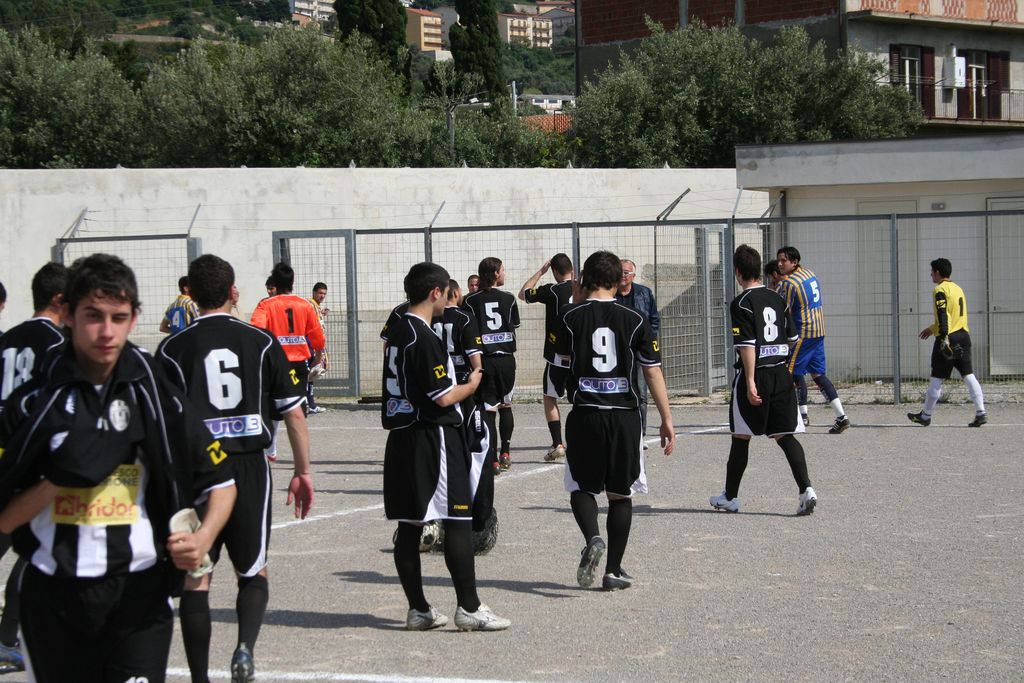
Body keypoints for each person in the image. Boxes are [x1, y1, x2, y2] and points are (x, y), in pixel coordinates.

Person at [0, 253, 236, 683]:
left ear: (134, 319)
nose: (106, 331)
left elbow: (222, 482)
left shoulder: (158, 397)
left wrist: (202, 539)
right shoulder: (35, 404)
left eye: (118, 317)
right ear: (68, 315)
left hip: (138, 595)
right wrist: (62, 477)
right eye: (93, 316)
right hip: (53, 597)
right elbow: (5, 518)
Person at [157, 254, 314, 683]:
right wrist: (302, 471)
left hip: (197, 470)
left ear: (190, 294)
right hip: (248, 466)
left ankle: (199, 676)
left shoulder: (172, 348)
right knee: (253, 570)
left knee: (197, 575)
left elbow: (162, 424)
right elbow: (293, 413)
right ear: (233, 292)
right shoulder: (260, 342)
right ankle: (244, 650)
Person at [382, 262, 510, 631]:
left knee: (410, 524)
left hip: (402, 435)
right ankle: (469, 607)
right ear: (435, 292)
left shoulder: (397, 329)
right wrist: (473, 384)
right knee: (457, 518)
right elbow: (442, 396)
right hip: (433, 436)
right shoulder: (422, 335)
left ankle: (418, 609)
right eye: (446, 293)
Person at [556, 251, 675, 592]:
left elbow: (561, 368)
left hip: (586, 414)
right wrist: (666, 418)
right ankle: (613, 571)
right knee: (620, 495)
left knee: (581, 487)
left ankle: (593, 537)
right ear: (616, 280)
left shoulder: (569, 317)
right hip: (624, 417)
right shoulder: (635, 318)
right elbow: (652, 371)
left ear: (585, 279)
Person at [710, 245, 817, 516]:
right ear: (758, 269)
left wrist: (750, 382)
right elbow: (792, 338)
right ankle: (806, 490)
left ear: (737, 271)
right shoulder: (777, 297)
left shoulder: (741, 303)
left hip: (756, 374)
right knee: (785, 435)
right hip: (781, 373)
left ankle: (730, 497)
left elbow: (747, 346)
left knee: (741, 435)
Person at [0, 262, 67, 673]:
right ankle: (7, 639)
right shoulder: (57, 344)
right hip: (27, 457)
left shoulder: (7, 338)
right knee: (36, 547)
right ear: (60, 299)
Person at [250, 263, 325, 462]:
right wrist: (318, 356)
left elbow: (256, 330)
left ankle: (271, 448)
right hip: (298, 362)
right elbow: (316, 334)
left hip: (275, 362)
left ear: (275, 282)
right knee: (298, 407)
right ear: (293, 281)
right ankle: (301, 457)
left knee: (273, 406)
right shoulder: (304, 305)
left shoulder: (266, 304)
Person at [776, 246, 850, 434]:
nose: (780, 264)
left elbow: (783, 311)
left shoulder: (789, 284)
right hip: (818, 331)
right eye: (779, 260)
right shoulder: (810, 273)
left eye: (784, 260)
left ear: (794, 262)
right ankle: (841, 416)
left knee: (788, 374)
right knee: (818, 375)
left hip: (803, 333)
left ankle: (793, 418)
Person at [908, 258, 987, 428]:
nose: (930, 274)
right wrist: (932, 328)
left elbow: (943, 314)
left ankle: (925, 416)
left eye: (932, 271)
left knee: (936, 377)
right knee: (968, 374)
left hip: (949, 337)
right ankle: (981, 412)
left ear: (937, 272)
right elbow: (953, 315)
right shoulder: (958, 289)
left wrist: (943, 337)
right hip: (964, 336)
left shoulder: (940, 289)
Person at [463, 258, 520, 473]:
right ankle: (506, 452)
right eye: (503, 270)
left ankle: (493, 459)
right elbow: (514, 325)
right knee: (506, 405)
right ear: (496, 273)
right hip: (506, 359)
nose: (505, 273)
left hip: (484, 359)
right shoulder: (509, 299)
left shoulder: (470, 300)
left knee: (489, 409)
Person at [519, 254, 575, 461]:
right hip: (581, 356)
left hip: (557, 356)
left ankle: (558, 443)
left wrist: (540, 272)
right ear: (572, 269)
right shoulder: (584, 288)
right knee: (580, 400)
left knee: (550, 396)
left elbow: (523, 294)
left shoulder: (552, 290)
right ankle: (582, 441)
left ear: (555, 272)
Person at [615, 259, 660, 440]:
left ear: (633, 276)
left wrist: (647, 342)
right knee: (618, 392)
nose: (623, 275)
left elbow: (654, 320)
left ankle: (640, 434)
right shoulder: (610, 294)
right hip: (618, 353)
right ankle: (621, 433)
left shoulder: (644, 293)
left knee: (641, 393)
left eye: (626, 272)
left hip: (639, 351)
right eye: (620, 272)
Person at [306, 282, 329, 415]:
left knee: (310, 376)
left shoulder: (316, 306)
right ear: (314, 292)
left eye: (324, 293)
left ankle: (311, 404)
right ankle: (308, 404)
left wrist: (321, 313)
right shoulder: (310, 305)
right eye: (320, 293)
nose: (322, 296)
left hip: (315, 345)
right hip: (311, 345)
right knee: (309, 375)